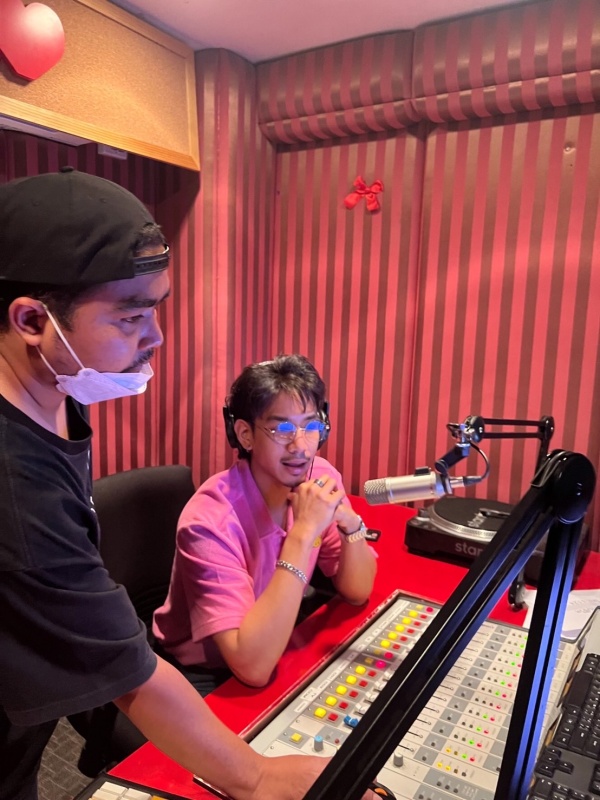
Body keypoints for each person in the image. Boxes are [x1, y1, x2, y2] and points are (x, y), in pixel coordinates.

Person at [0, 168, 378, 800]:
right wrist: (255, 777)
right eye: (131, 317)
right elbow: (125, 667)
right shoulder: (16, 482)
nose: (155, 337)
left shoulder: (58, 391)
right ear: (34, 319)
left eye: (156, 309)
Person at [153, 355, 377, 688]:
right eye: (282, 429)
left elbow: (358, 591)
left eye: (311, 427)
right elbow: (252, 668)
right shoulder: (209, 521)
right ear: (245, 435)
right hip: (207, 669)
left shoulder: (319, 476)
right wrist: (303, 533)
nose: (301, 447)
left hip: (277, 635)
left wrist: (350, 525)